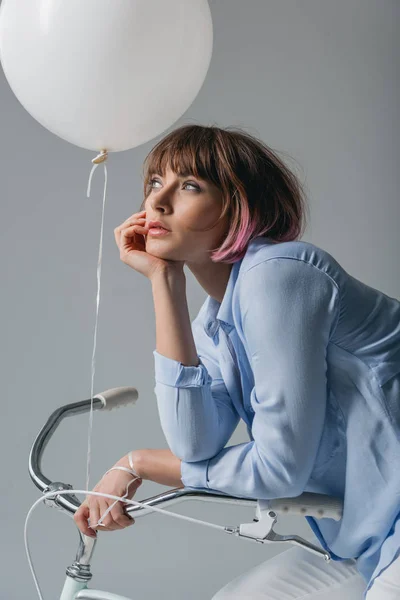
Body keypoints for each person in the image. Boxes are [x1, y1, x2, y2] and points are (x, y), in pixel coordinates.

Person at [74, 124, 400, 599]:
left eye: (189, 185)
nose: (158, 203)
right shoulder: (217, 321)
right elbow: (194, 442)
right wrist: (164, 283)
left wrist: (137, 463)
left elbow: (279, 469)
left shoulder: (279, 273)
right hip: (366, 540)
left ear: (238, 205)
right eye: (153, 183)